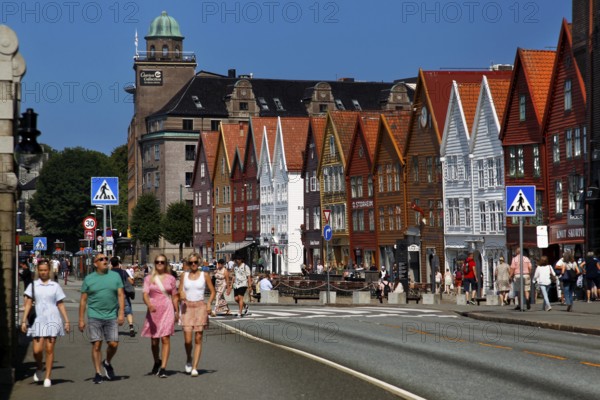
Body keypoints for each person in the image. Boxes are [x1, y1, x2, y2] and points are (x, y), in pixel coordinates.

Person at [21, 259, 70, 388]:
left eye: (45, 270)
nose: (43, 272)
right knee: (37, 350)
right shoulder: (33, 285)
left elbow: (60, 303)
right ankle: (39, 366)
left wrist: (66, 321)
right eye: (41, 270)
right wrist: (23, 320)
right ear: (38, 270)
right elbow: (28, 304)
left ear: (49, 271)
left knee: (49, 349)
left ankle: (48, 376)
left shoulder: (55, 286)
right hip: (38, 319)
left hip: (52, 319)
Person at [78, 253, 125, 384]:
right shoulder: (89, 279)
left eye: (106, 259)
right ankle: (98, 372)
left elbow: (121, 295)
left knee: (114, 343)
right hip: (94, 315)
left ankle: (107, 362)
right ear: (95, 263)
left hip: (111, 315)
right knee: (97, 344)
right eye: (101, 259)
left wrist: (121, 313)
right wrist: (81, 319)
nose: (105, 261)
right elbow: (83, 300)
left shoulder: (115, 276)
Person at [141, 254, 179, 377]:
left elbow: (174, 296)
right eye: (157, 262)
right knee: (154, 341)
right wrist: (149, 305)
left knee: (165, 338)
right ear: (154, 263)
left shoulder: (171, 279)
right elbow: (145, 294)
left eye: (162, 262)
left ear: (166, 264)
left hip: (167, 308)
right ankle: (157, 361)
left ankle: (163, 368)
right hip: (153, 310)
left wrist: (177, 311)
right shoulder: (148, 278)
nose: (160, 264)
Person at [179, 253, 215, 377]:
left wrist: (209, 303)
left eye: (195, 262)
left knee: (198, 338)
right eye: (191, 263)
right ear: (188, 264)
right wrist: (181, 294)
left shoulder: (205, 275)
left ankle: (195, 367)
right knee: (188, 340)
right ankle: (189, 357)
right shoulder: (184, 275)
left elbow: (212, 291)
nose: (193, 264)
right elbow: (179, 290)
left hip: (200, 306)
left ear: (198, 263)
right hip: (187, 307)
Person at [110, 257, 136, 337]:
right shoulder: (124, 272)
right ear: (119, 263)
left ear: (111, 264)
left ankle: (113, 330)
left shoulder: (109, 273)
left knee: (113, 312)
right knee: (128, 311)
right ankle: (131, 327)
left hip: (113, 295)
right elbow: (131, 282)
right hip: (123, 294)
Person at [231, 252, 252, 317]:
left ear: (241, 259)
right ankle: (245, 306)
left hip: (243, 283)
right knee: (236, 298)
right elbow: (234, 276)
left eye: (239, 259)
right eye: (236, 259)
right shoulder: (235, 267)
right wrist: (231, 284)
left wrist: (250, 286)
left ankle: (239, 312)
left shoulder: (245, 266)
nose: (237, 260)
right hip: (236, 284)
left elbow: (248, 276)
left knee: (240, 297)